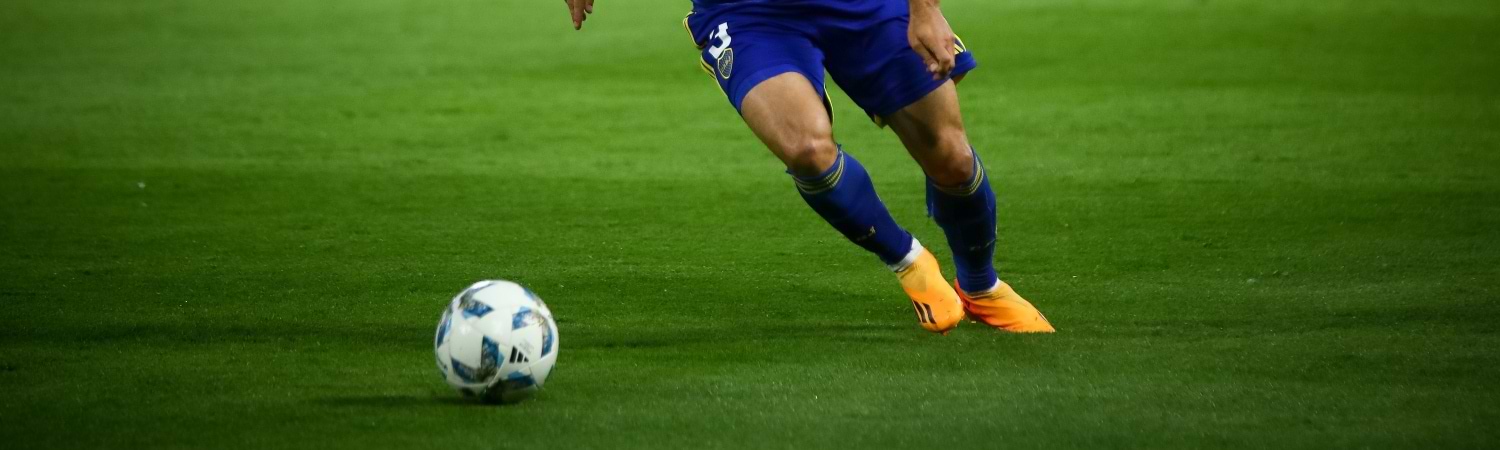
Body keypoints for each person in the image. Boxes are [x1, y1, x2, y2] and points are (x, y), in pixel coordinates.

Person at [562, 0, 1053, 333]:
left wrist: (925, 9)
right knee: (807, 149)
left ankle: (980, 285)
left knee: (950, 156)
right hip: (747, 11)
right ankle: (910, 263)